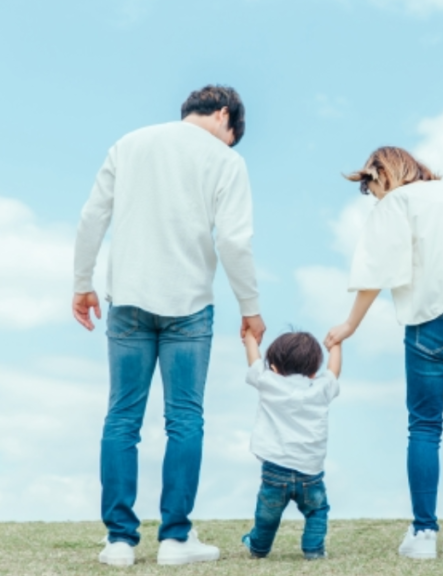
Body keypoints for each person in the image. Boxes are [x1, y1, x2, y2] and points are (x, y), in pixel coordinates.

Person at [72, 85, 266, 567]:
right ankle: (176, 540)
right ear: (225, 115)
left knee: (122, 418)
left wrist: (82, 282)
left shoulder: (130, 143)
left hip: (129, 301)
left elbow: (92, 216)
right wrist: (251, 306)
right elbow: (235, 243)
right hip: (189, 305)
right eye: (232, 136)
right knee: (185, 420)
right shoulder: (226, 162)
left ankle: (119, 541)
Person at [324, 147, 443, 560]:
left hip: (435, 317)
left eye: (369, 186)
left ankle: (424, 534)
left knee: (425, 426)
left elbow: (376, 270)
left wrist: (348, 326)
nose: (372, 195)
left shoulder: (397, 201)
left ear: (382, 172)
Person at [240, 330, 341, 560]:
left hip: (275, 470)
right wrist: (336, 345)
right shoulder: (321, 388)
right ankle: (314, 550)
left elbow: (254, 361)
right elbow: (334, 372)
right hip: (311, 472)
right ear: (315, 370)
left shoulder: (268, 382)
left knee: (267, 516)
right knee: (317, 511)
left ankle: (258, 548)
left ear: (273, 367)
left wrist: (250, 338)